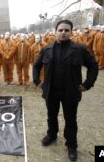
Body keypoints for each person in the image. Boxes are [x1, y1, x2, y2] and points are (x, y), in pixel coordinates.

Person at [33, 19, 98, 161]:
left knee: (70, 120)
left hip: (71, 92)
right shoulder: (46, 49)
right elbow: (36, 65)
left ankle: (71, 145)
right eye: (60, 30)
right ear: (55, 32)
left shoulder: (79, 49)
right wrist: (37, 81)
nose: (63, 33)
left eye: (66, 30)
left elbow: (93, 65)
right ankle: (52, 135)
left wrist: (87, 84)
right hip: (51, 91)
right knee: (51, 115)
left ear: (71, 32)